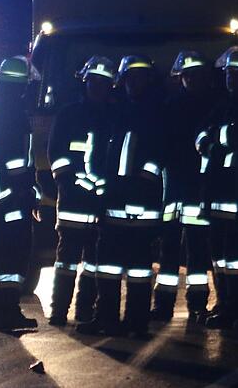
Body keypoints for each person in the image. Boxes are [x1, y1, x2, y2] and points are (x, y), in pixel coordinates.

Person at [77, 55, 166, 338]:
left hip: (141, 206)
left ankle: (137, 323)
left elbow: (162, 154)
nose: (133, 83)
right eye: (129, 78)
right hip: (113, 203)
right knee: (108, 268)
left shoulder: (156, 112)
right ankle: (106, 319)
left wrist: (144, 178)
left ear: (147, 80)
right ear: (123, 81)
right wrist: (102, 187)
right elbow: (100, 152)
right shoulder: (116, 113)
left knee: (139, 270)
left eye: (138, 78)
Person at [47, 56, 116, 327]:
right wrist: (72, 183)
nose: (98, 88)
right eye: (94, 83)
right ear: (85, 83)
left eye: (103, 84)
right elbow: (57, 155)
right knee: (67, 261)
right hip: (74, 203)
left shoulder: (114, 117)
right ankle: (59, 311)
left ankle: (85, 312)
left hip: (102, 203)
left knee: (93, 264)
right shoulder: (68, 114)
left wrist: (107, 189)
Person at [198, 46, 238, 329]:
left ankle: (236, 308)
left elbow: (236, 136)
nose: (230, 78)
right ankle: (224, 303)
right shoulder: (223, 104)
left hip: (236, 193)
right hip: (216, 194)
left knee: (235, 258)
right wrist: (212, 139)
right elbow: (203, 134)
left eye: (235, 74)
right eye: (227, 73)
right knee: (219, 258)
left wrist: (214, 139)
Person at [0, 56, 39, 332]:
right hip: (12, 196)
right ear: (19, 86)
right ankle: (8, 312)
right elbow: (12, 160)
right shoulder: (9, 113)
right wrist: (25, 189)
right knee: (13, 256)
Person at [152, 51, 218, 323]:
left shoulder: (213, 106)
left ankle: (196, 306)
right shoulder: (170, 106)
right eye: (188, 75)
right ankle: (164, 306)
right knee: (168, 252)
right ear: (182, 78)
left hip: (197, 192)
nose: (191, 79)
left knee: (197, 254)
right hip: (175, 191)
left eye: (196, 75)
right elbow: (161, 147)